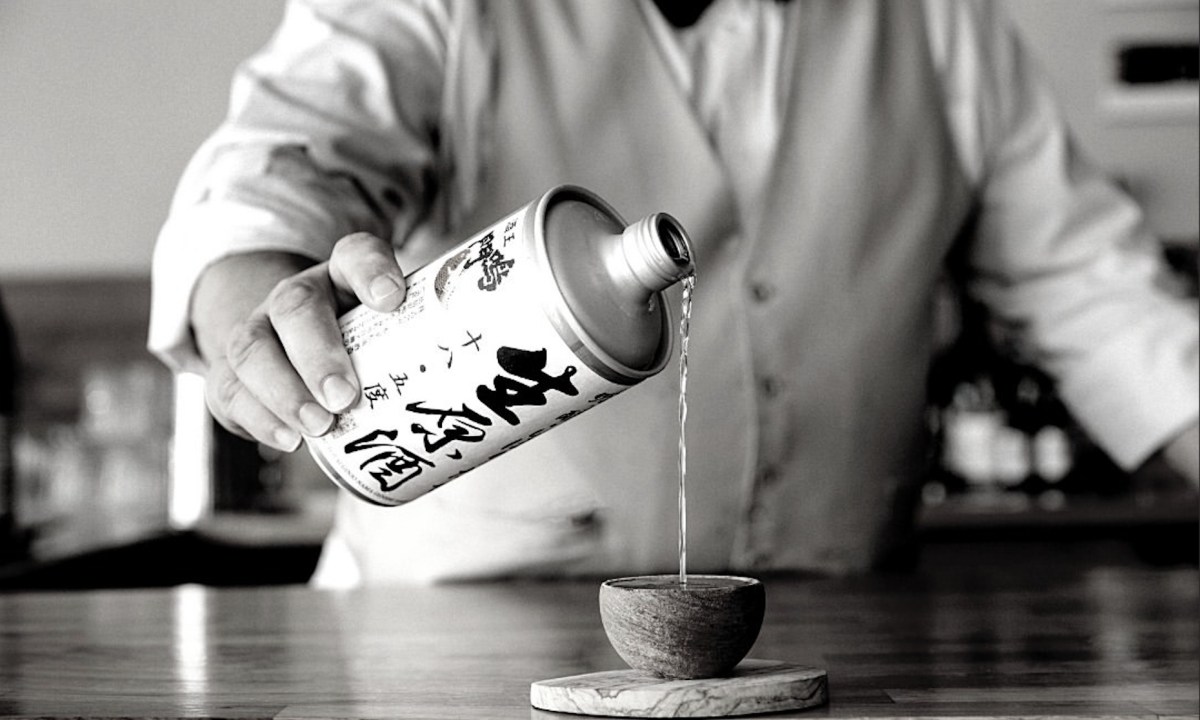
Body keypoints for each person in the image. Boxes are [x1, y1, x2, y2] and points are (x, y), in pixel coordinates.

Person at [150, 0, 1199, 586]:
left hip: (828, 644)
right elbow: (287, 156)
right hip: (455, 651)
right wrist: (254, 284)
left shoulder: (940, 25)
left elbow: (1106, 299)